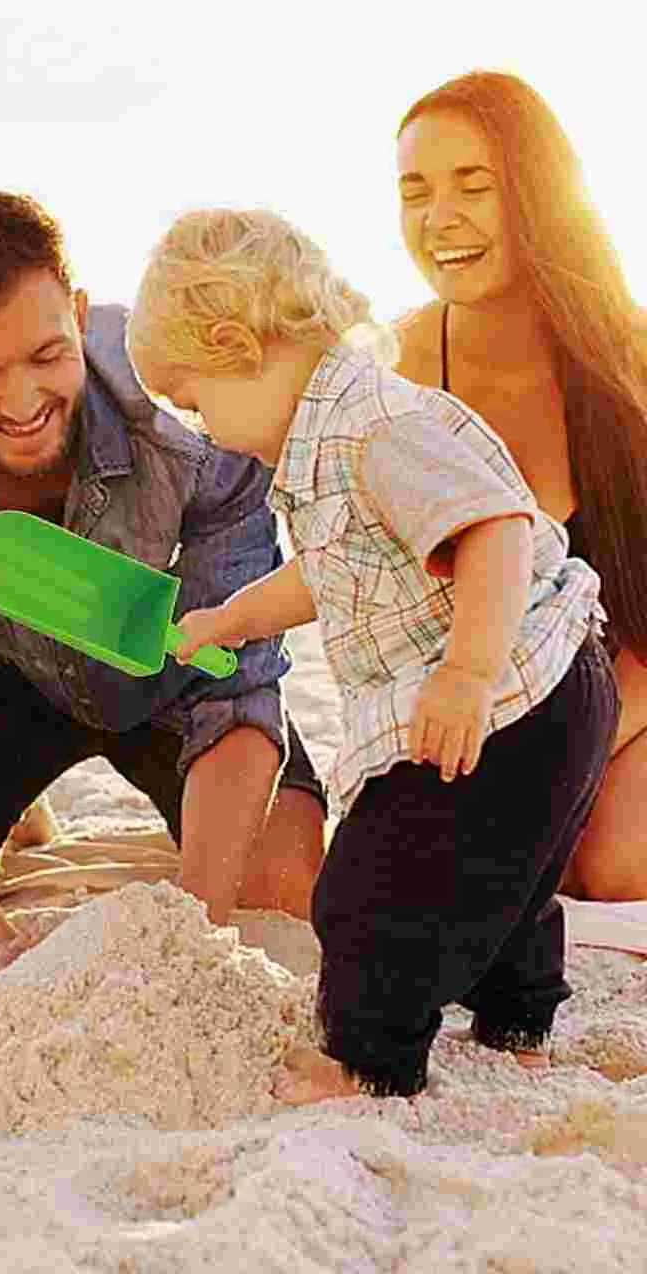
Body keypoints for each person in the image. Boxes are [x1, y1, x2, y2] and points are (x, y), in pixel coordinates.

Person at [131, 208, 615, 1103]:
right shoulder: (329, 444)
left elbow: (497, 530)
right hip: (548, 688)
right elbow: (337, 566)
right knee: (511, 870)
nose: (205, 432)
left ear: (239, 343)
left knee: (370, 887)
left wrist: (466, 674)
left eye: (197, 403)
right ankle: (517, 1026)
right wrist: (232, 617)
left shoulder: (371, 426)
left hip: (505, 694)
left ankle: (366, 1061)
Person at [0, 186, 328, 1007]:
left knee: (283, 882)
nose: (22, 403)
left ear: (79, 314)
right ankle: (19, 813)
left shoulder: (188, 407)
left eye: (47, 357)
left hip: (172, 670)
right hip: (1, 672)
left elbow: (239, 683)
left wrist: (189, 933)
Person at [390, 70, 647, 901]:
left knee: (607, 865)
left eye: (475, 185)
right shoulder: (392, 371)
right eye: (415, 191)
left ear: (536, 195)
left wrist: (574, 745)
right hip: (485, 722)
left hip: (630, 699)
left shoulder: (628, 358)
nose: (440, 219)